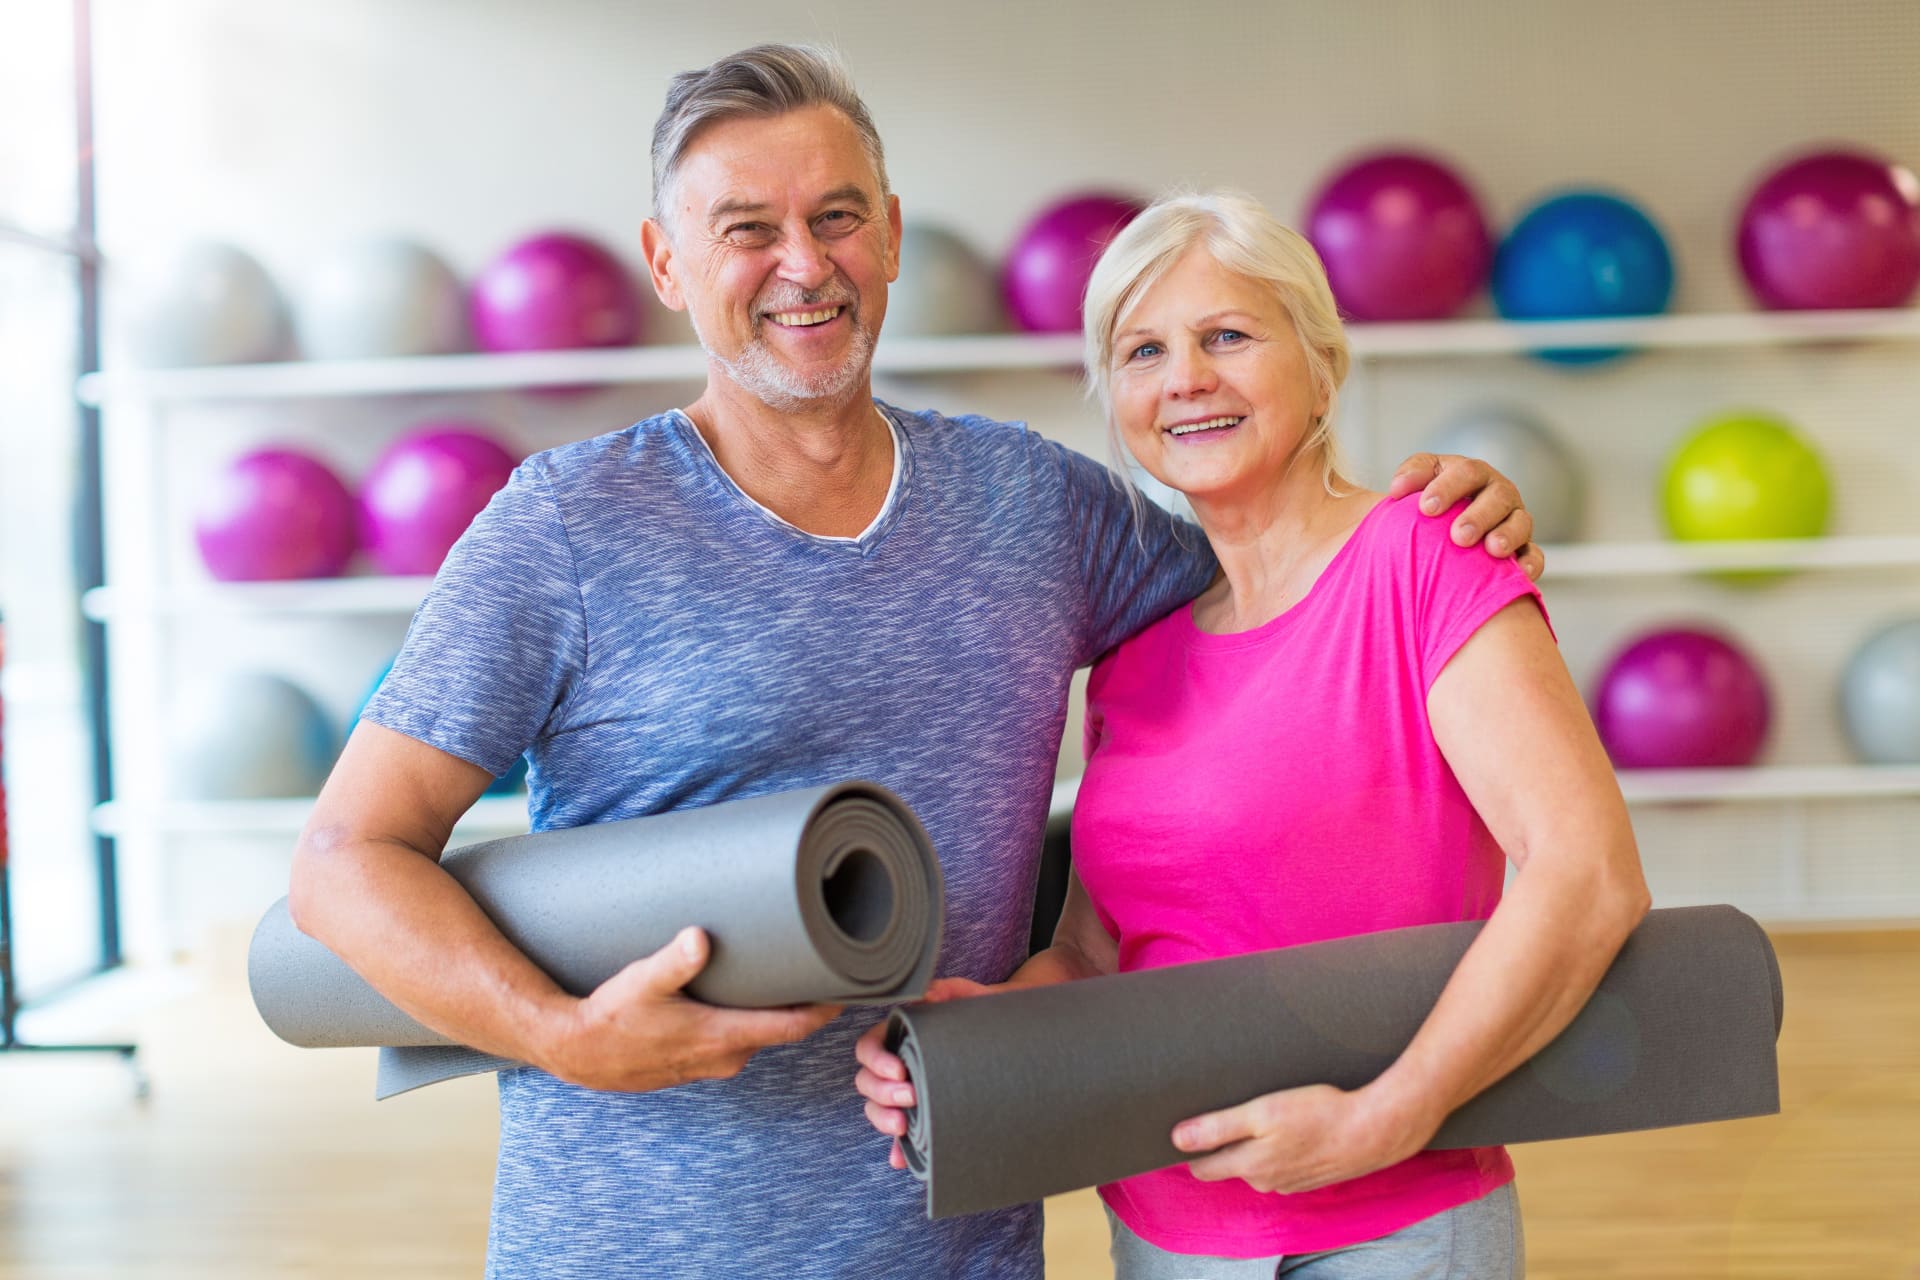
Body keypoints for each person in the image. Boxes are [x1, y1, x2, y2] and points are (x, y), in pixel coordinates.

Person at [287, 47, 1540, 1280]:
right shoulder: (563, 527)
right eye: (745, 228)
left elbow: (1284, 577)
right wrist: (559, 1034)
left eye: (836, 216)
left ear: (888, 234)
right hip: (633, 1241)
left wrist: (1434, 514)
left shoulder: (1032, 503)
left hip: (953, 1236)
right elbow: (346, 861)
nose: (802, 263)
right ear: (667, 262)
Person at [856, 191, 1649, 1279]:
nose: (1185, 376)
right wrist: (983, 1027)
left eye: (1227, 334)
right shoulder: (1136, 652)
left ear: (1321, 364)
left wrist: (1388, 1115)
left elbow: (1587, 874)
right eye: (1143, 350)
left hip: (1398, 1220)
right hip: (1162, 1226)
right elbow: (1095, 950)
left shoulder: (1426, 561)